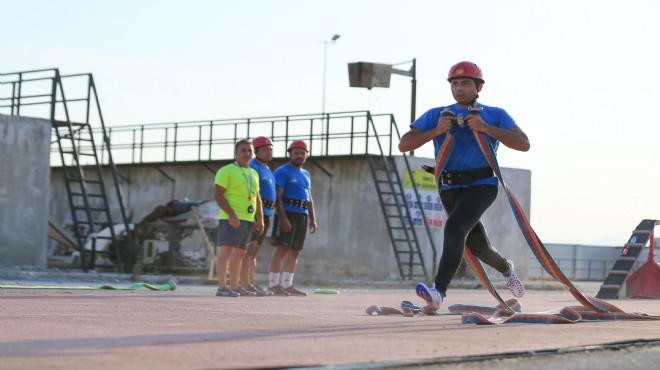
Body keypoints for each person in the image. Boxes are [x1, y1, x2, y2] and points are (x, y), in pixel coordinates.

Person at [398, 61, 530, 311]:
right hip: (449, 189)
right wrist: (435, 131)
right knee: (478, 247)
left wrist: (486, 128)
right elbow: (405, 144)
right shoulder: (438, 114)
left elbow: (523, 143)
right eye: (455, 84)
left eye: (465, 83)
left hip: (482, 185)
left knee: (454, 227)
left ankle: (438, 292)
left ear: (478, 87)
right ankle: (506, 268)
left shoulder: (495, 114)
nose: (459, 89)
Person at [213, 139, 264, 297]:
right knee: (226, 252)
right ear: (235, 153)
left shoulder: (254, 173)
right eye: (243, 150)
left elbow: (257, 197)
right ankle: (222, 287)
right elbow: (218, 193)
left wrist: (260, 219)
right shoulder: (226, 170)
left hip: (248, 219)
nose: (247, 153)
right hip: (231, 218)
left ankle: (235, 286)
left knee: (240, 253)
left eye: (249, 150)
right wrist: (231, 214)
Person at [268, 140, 317, 296]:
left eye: (303, 153)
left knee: (295, 251)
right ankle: (273, 284)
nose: (299, 156)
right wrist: (283, 218)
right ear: (290, 153)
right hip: (287, 214)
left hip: (301, 215)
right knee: (281, 249)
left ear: (307, 155)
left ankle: (287, 284)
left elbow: (309, 197)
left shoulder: (306, 174)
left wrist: (312, 218)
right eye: (296, 153)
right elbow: (277, 197)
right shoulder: (282, 171)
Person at [239, 136, 276, 297]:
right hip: (254, 214)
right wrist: (255, 216)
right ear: (257, 152)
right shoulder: (252, 167)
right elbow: (254, 193)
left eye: (270, 149)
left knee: (254, 252)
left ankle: (251, 283)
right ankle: (244, 284)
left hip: (266, 214)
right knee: (248, 250)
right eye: (265, 149)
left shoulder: (266, 169)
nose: (269, 152)